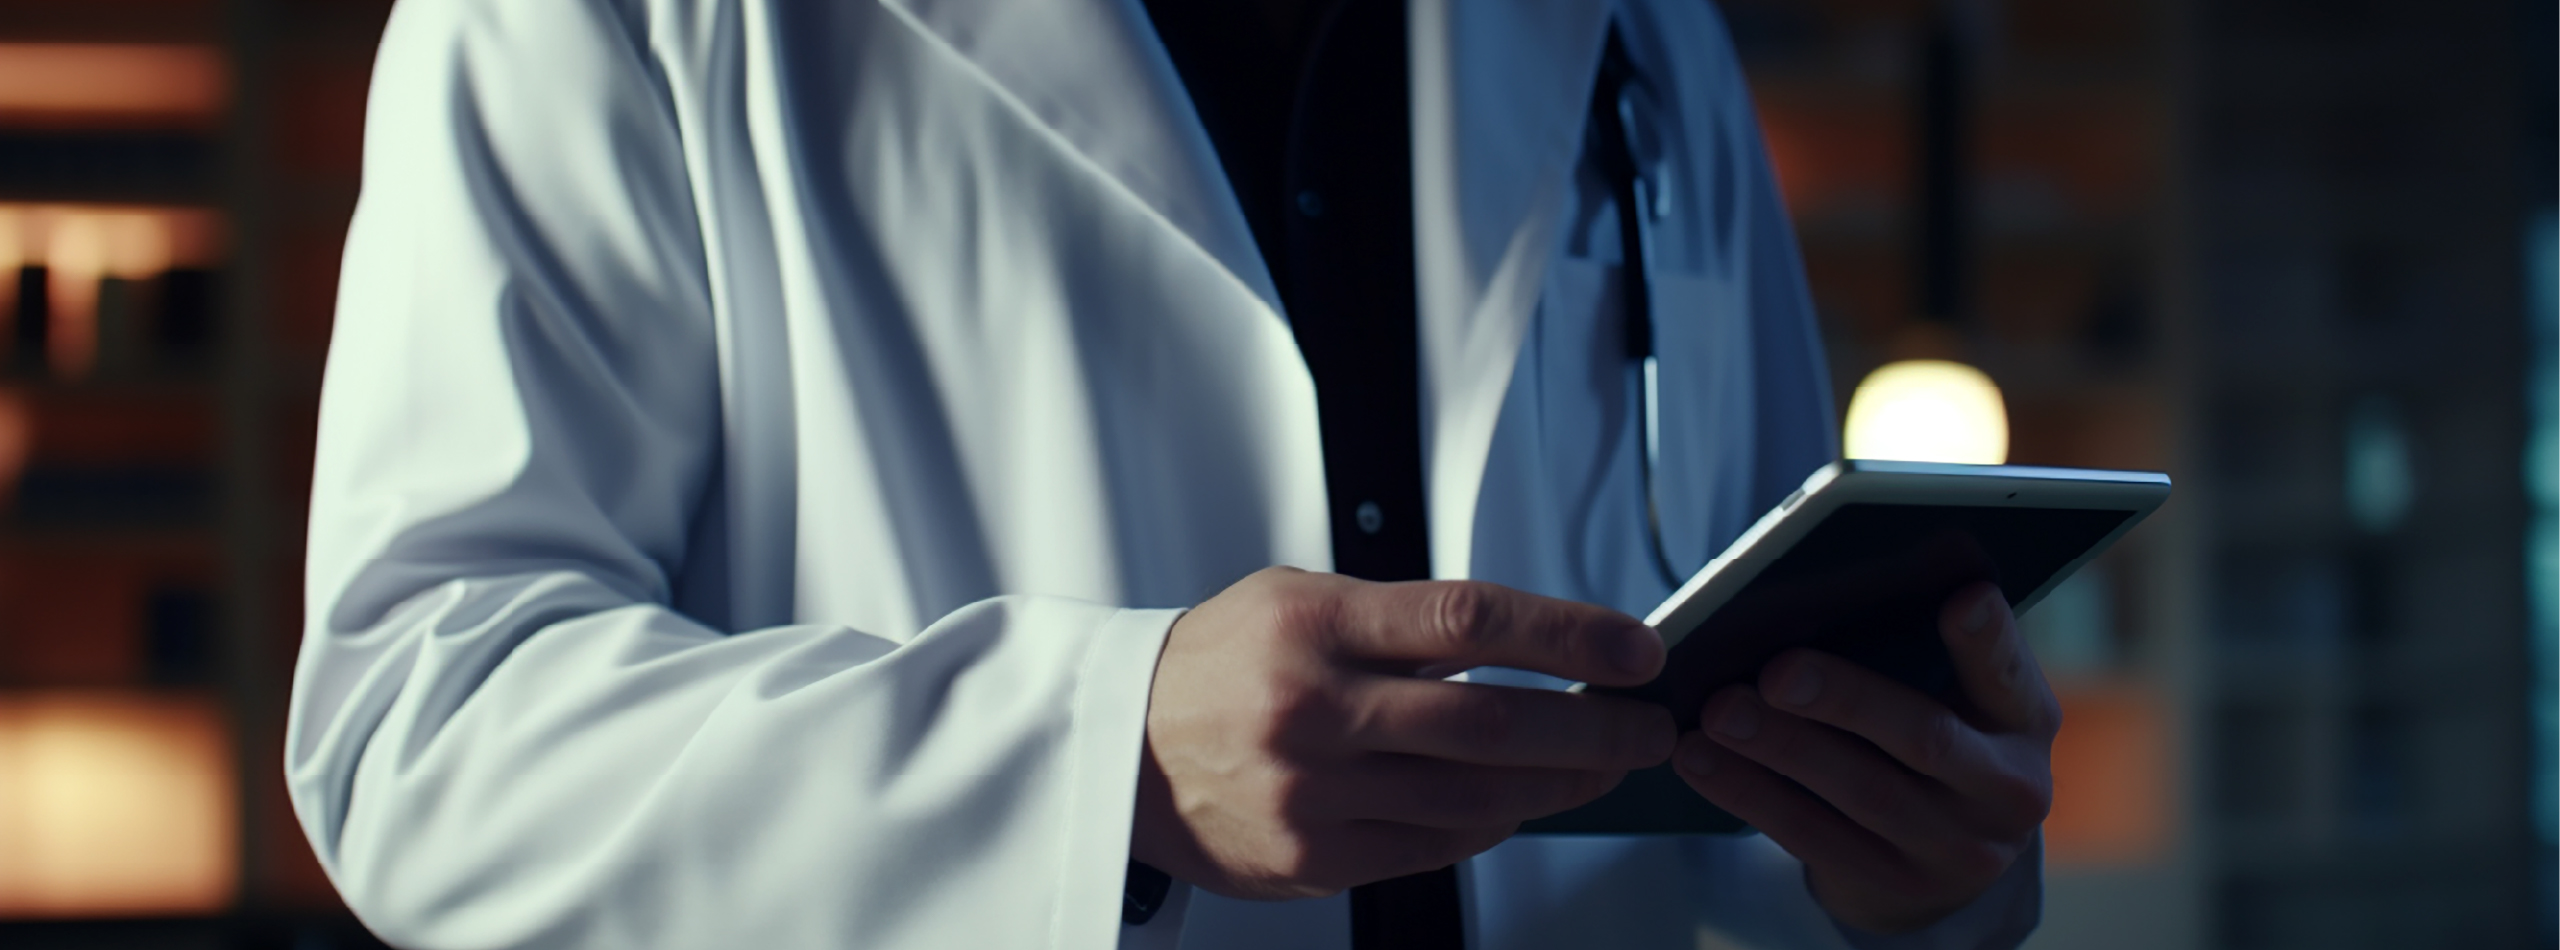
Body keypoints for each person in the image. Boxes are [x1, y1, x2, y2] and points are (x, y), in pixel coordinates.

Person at [284, 0, 2056, 948]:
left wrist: (1910, 868)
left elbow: (1726, 726)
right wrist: (1092, 759)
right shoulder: (610, 16)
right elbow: (420, 725)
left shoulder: (1637, 33)